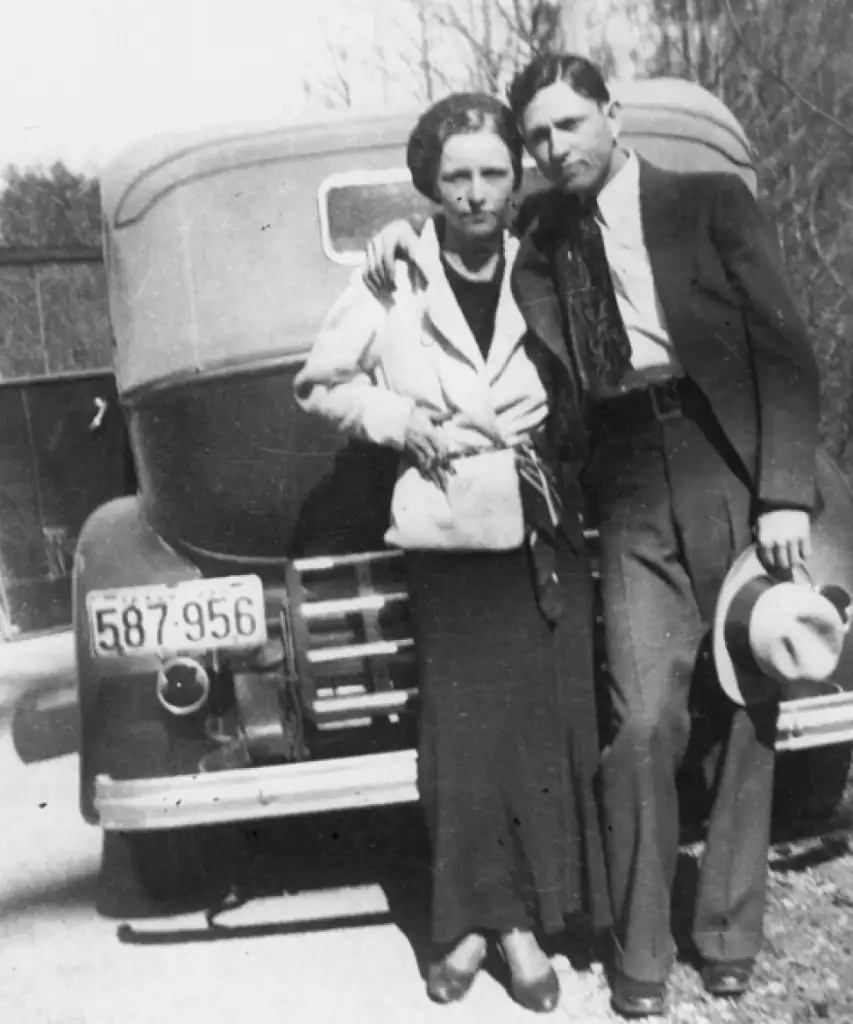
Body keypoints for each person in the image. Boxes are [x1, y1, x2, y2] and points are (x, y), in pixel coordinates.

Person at [363, 58, 820, 1018]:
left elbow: (782, 349)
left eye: (569, 124)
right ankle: (639, 954)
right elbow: (451, 235)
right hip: (621, 483)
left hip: (724, 466)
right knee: (644, 718)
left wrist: (782, 494)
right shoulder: (536, 235)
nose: (552, 148)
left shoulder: (708, 202)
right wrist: (395, 238)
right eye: (536, 137)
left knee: (746, 703)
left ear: (612, 115)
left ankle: (729, 934)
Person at [294, 92, 610, 1014]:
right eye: (456, 176)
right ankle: (480, 928)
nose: (475, 194)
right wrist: (399, 419)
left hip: (544, 517)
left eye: (492, 174)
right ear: (430, 182)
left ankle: (530, 915)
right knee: (461, 734)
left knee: (537, 722)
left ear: (518, 180)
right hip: (445, 520)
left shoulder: (547, 256)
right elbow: (319, 382)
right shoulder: (394, 273)